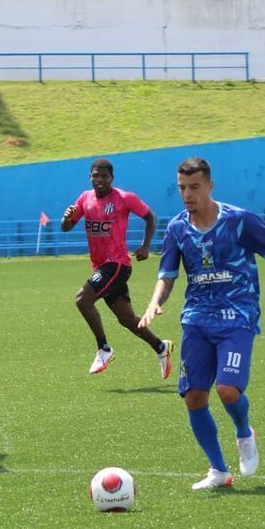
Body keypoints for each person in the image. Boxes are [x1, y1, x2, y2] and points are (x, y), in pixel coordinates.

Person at [139, 157, 265, 491]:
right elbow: (167, 276)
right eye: (181, 188)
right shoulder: (176, 228)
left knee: (228, 390)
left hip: (238, 315)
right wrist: (154, 302)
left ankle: (244, 433)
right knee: (193, 397)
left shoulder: (239, 221)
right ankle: (218, 471)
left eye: (194, 187)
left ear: (209, 186)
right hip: (196, 319)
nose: (187, 194)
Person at [61, 158, 174, 378]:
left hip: (118, 264)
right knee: (127, 319)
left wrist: (146, 245)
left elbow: (150, 217)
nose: (100, 180)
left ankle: (103, 348)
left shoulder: (124, 198)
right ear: (90, 177)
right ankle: (161, 347)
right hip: (101, 266)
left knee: (82, 299)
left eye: (104, 176)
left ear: (112, 178)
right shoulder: (85, 198)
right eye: (96, 175)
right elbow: (66, 227)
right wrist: (66, 219)